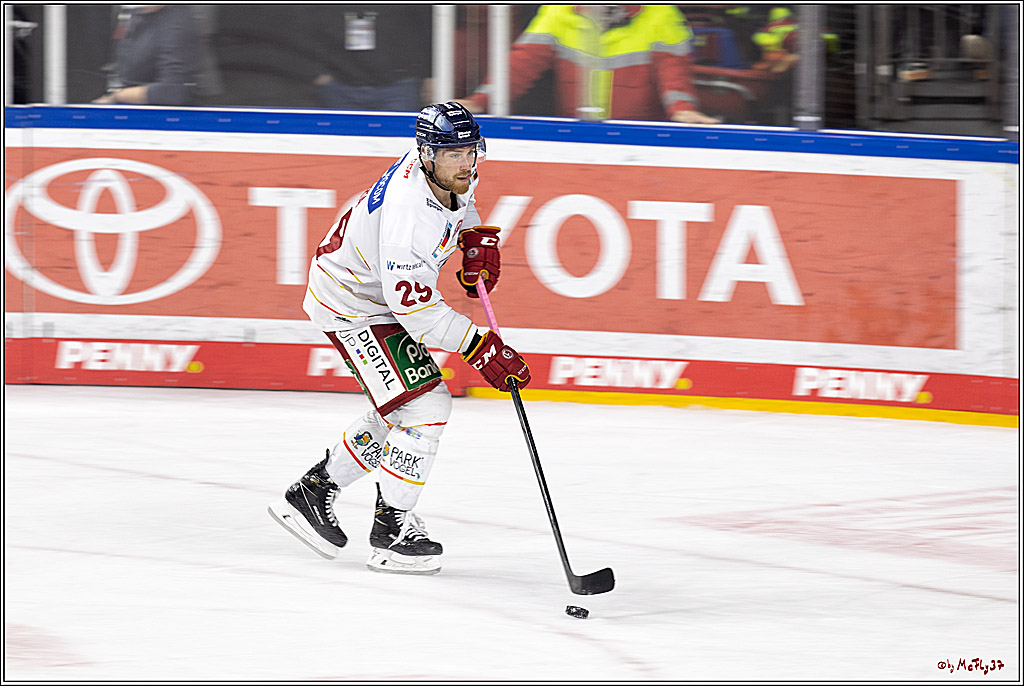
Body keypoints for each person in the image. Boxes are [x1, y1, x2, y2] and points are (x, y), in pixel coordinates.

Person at [268, 102, 532, 576]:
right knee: (427, 407)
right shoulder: (408, 220)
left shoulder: (446, 171)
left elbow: (462, 201)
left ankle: (313, 493)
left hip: (375, 295)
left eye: (472, 151)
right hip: (353, 303)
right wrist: (481, 346)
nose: (466, 163)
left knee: (405, 407)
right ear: (426, 155)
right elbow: (416, 309)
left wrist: (476, 238)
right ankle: (390, 532)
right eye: (454, 155)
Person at [458, 4, 719, 124]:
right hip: (580, 139)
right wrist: (479, 101)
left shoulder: (661, 14)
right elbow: (520, 65)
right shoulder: (558, 12)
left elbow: (674, 75)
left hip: (643, 143)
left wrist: (682, 110)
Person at [296, 5, 433, 111]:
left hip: (399, 85)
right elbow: (305, 24)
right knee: (343, 143)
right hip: (339, 84)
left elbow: (430, 28)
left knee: (399, 142)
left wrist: (431, 74)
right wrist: (315, 69)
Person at [92, 4, 203, 106]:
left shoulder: (177, 24)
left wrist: (117, 96)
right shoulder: (135, 13)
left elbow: (173, 90)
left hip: (157, 117)